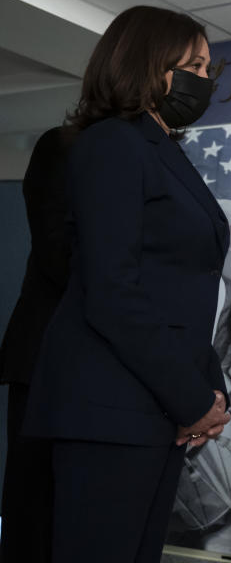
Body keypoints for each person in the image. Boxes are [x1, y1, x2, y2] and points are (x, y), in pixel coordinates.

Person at [21, 6, 231, 563]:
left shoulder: (161, 149)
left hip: (153, 406)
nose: (205, 80)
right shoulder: (112, 143)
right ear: (147, 65)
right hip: (110, 406)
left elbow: (186, 286)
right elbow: (112, 290)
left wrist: (210, 390)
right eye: (193, 65)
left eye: (208, 67)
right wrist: (191, 398)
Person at [0, 126, 73, 563]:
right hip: (48, 357)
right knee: (34, 511)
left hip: (103, 367)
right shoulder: (66, 145)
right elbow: (58, 252)